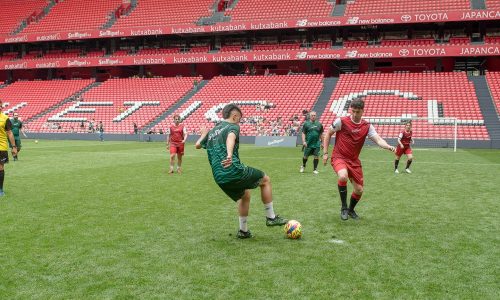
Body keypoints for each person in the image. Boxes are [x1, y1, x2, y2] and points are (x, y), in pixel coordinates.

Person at [195, 104, 288, 238]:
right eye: (239, 118)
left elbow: (198, 145)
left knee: (245, 195)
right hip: (232, 170)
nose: (239, 121)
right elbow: (230, 138)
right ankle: (271, 217)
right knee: (265, 180)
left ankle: (243, 231)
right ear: (234, 116)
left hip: (218, 177)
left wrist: (204, 134)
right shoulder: (233, 126)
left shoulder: (212, 132)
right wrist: (229, 155)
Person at [322, 99, 395, 221]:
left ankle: (350, 210)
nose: (355, 114)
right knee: (343, 176)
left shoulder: (366, 126)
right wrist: (325, 153)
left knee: (359, 190)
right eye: (353, 111)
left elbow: (378, 139)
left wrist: (387, 146)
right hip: (339, 156)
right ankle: (344, 208)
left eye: (358, 112)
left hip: (354, 161)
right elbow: (328, 133)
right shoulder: (342, 121)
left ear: (363, 111)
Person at [0, 100, 18, 196]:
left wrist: (14, 147)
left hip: (1, 147)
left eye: (0, 106)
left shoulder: (5, 118)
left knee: (0, 167)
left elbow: (9, 133)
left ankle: (0, 189)